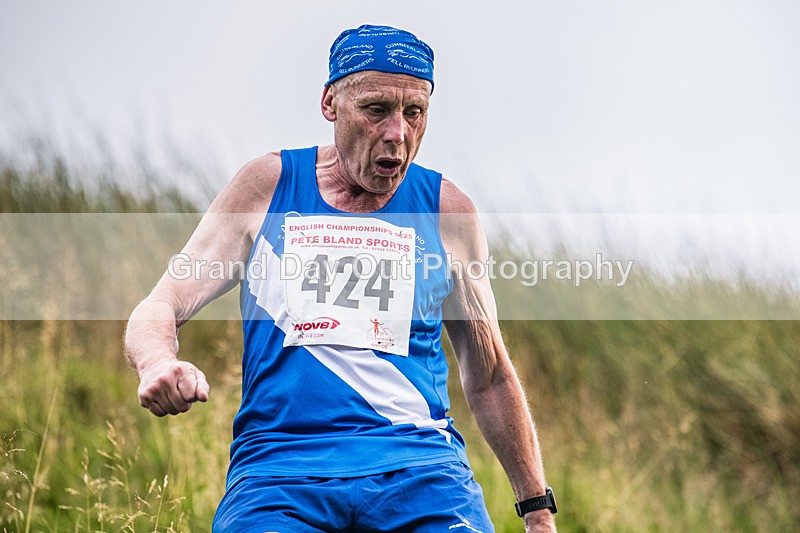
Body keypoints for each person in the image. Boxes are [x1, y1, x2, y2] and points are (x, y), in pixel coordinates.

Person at [124, 24, 556, 533]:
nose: (398, 133)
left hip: (421, 474)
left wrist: (538, 514)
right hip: (280, 473)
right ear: (331, 103)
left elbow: (490, 375)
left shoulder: (447, 213)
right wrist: (157, 362)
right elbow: (159, 306)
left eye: (414, 113)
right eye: (376, 110)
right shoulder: (268, 187)